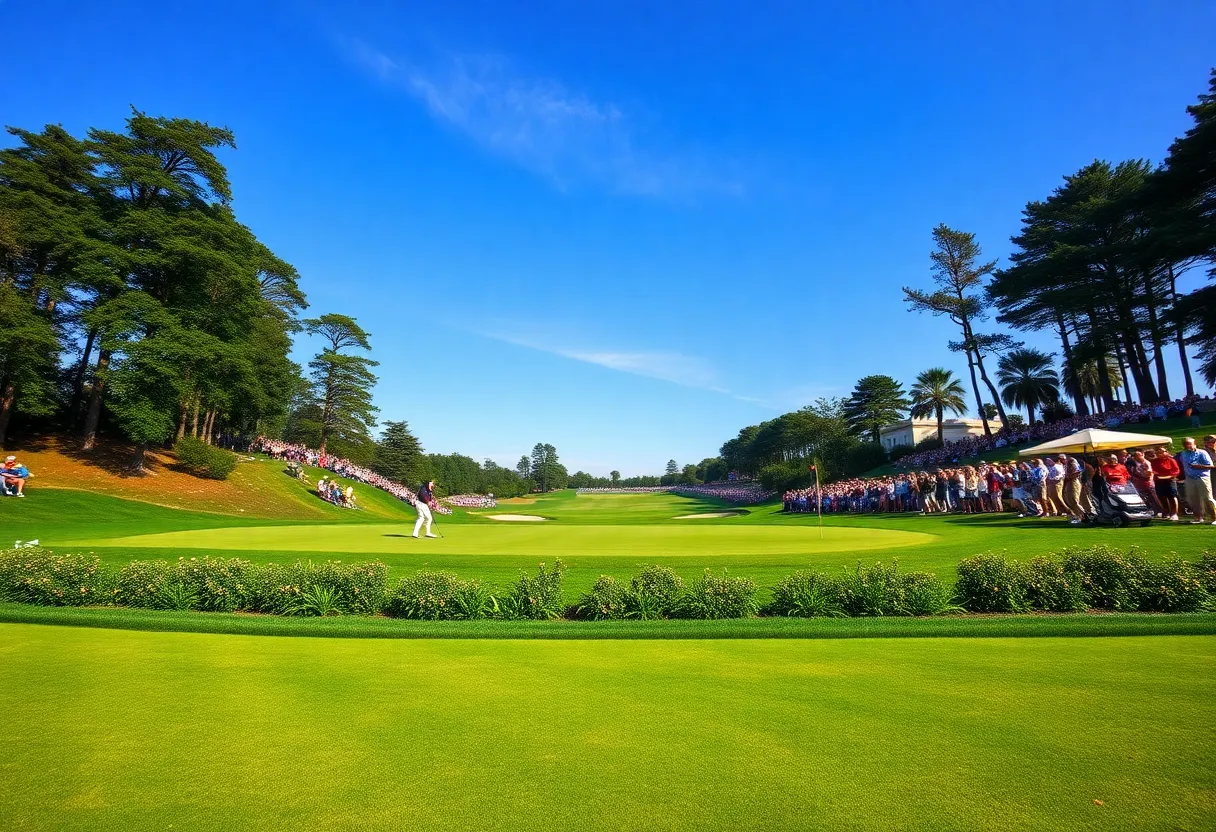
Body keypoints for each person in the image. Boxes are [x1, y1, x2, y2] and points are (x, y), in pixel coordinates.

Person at [1178, 437, 1216, 525]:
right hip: (1190, 478)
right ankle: (1198, 517)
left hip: (1202, 477)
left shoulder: (1202, 453)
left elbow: (1211, 466)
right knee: (1193, 499)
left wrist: (1199, 466)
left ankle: (1214, 517)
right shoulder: (1183, 454)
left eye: (1188, 443)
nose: (1186, 445)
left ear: (1194, 444)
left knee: (1207, 498)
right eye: (1185, 443)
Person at [1148, 447, 1181, 521]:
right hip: (1159, 480)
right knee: (1161, 497)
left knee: (1172, 497)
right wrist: (1153, 473)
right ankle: (1166, 512)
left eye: (1162, 452)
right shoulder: (1154, 461)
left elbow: (1176, 470)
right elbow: (1152, 470)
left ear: (1166, 452)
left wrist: (1168, 476)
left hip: (1169, 480)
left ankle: (1174, 513)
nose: (1160, 454)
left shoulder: (1171, 460)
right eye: (1158, 453)